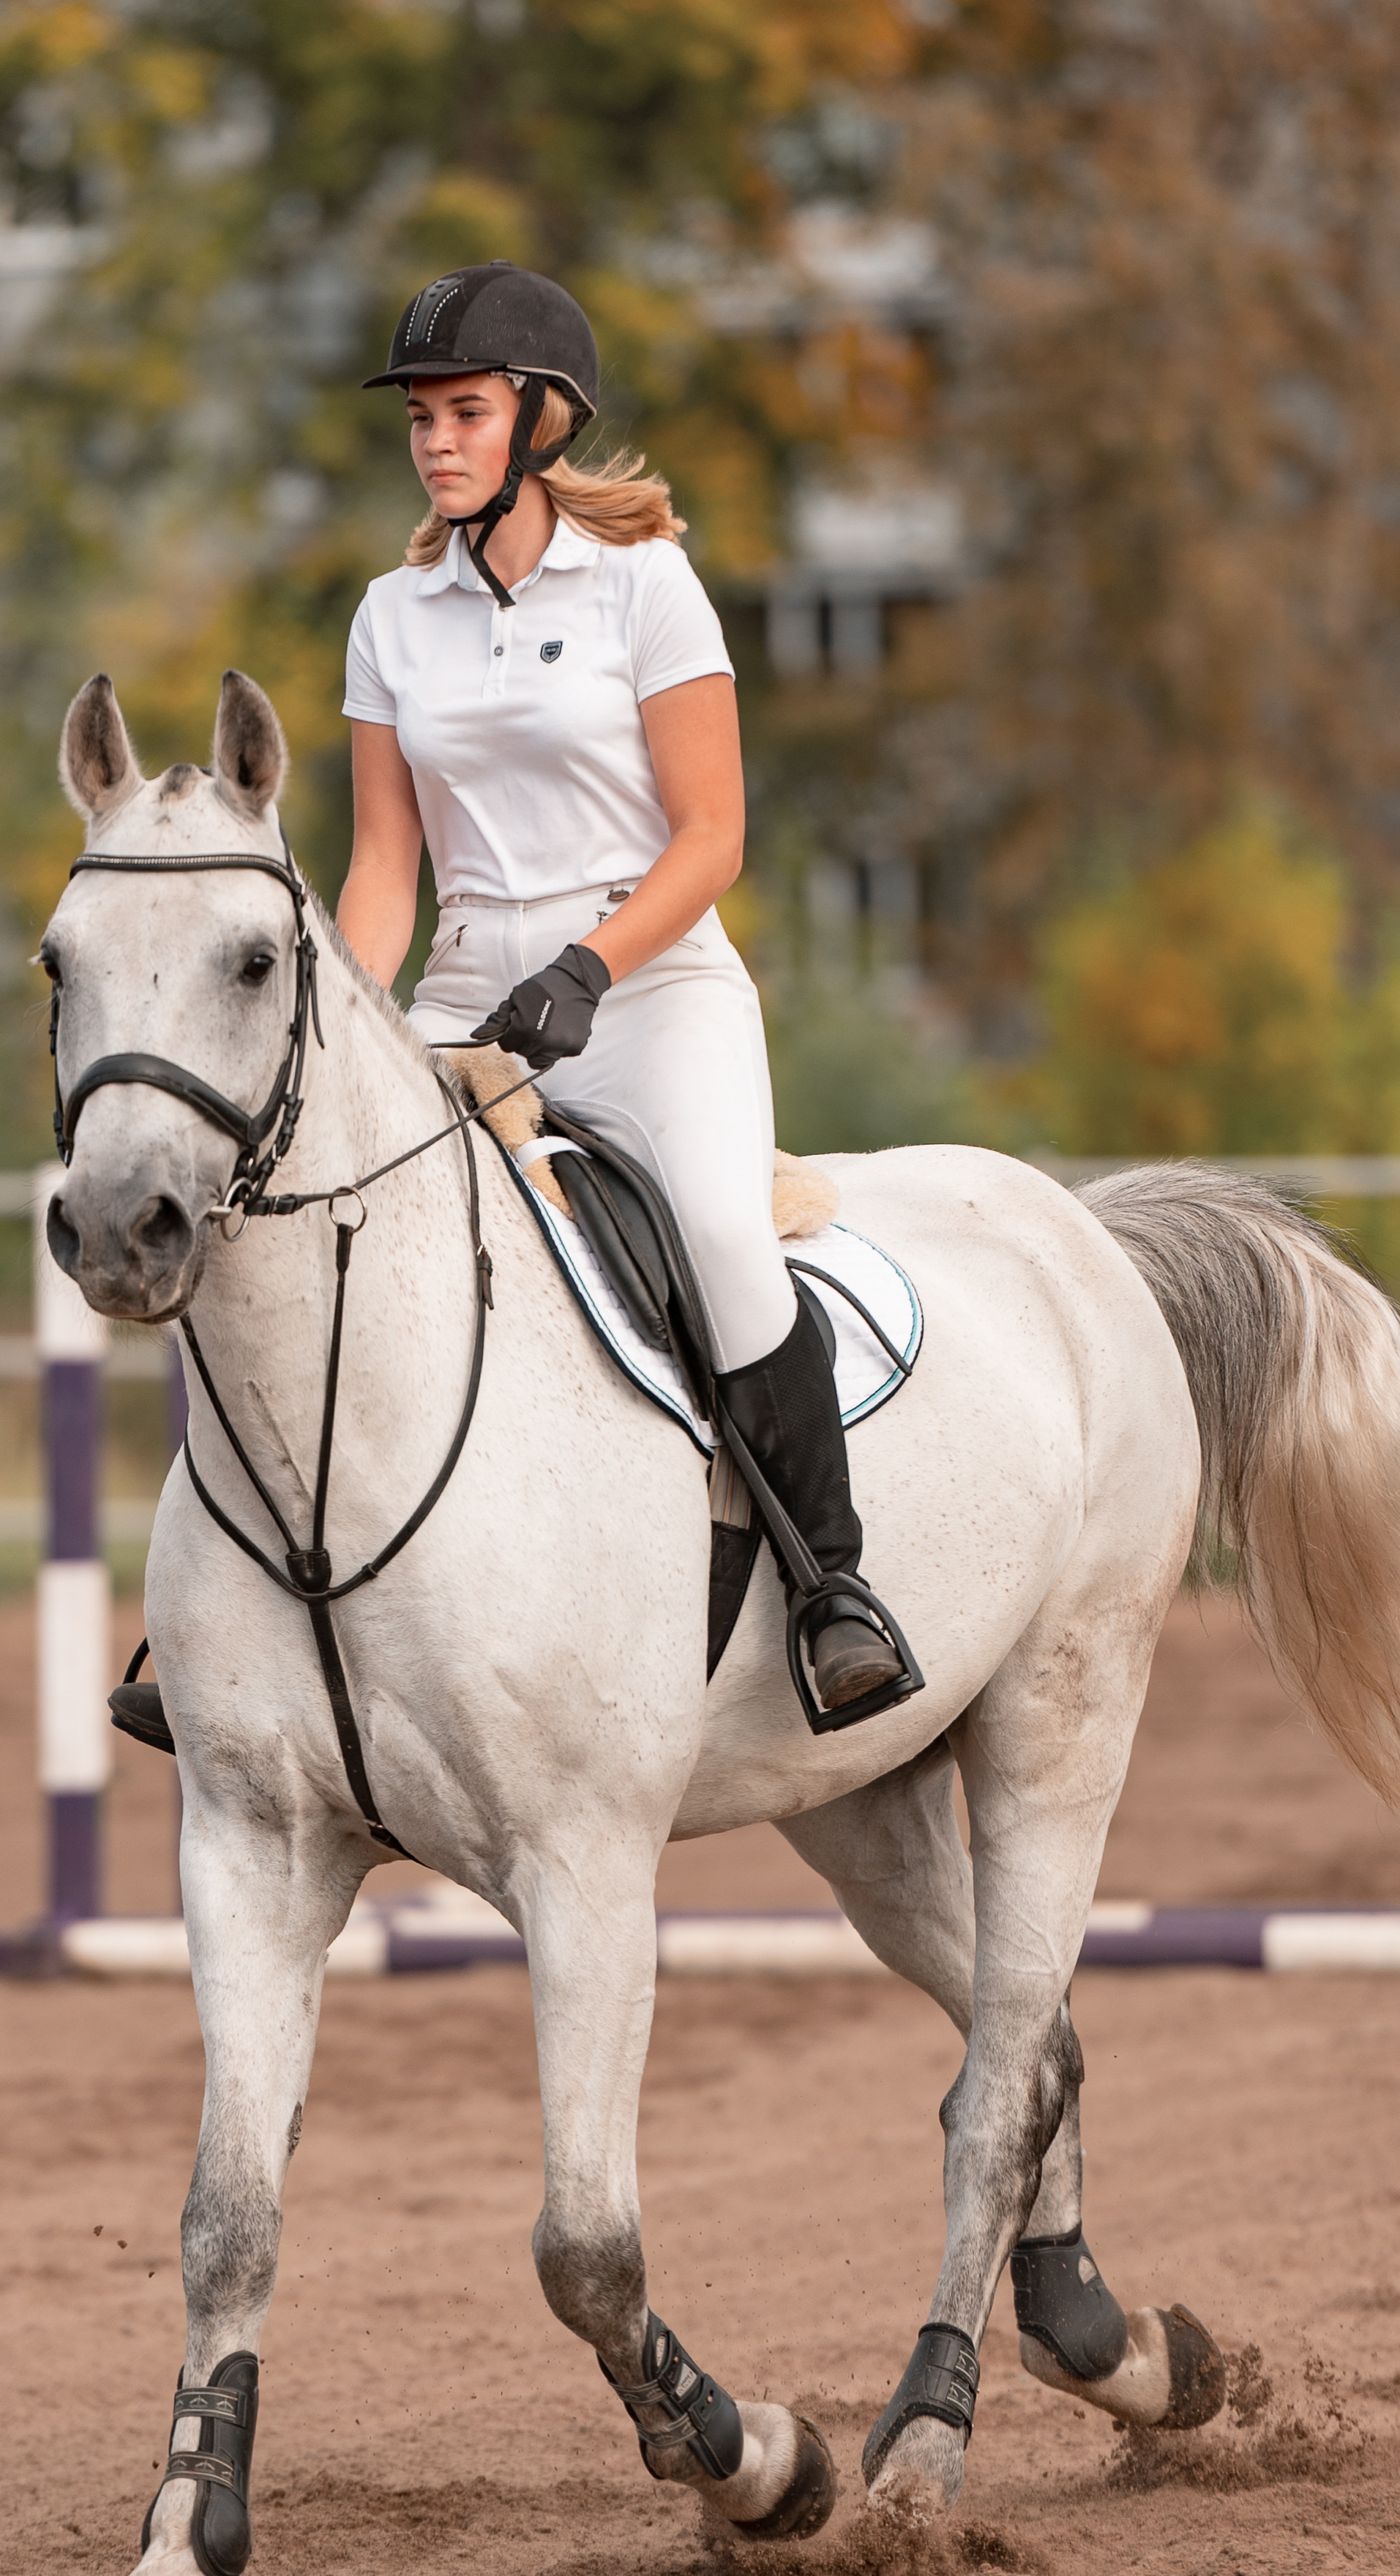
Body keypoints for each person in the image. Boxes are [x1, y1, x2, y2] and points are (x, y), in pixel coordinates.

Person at [334, 260, 910, 1713]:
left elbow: (714, 834)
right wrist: (342, 1022)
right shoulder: (389, 615)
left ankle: (831, 1582)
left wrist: (589, 968)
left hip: (647, 989)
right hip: (467, 996)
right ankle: (263, 1595)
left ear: (541, 420)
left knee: (720, 1230)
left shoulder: (646, 584)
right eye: (420, 420)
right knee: (323, 1227)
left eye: (463, 412)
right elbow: (386, 866)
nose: (435, 442)